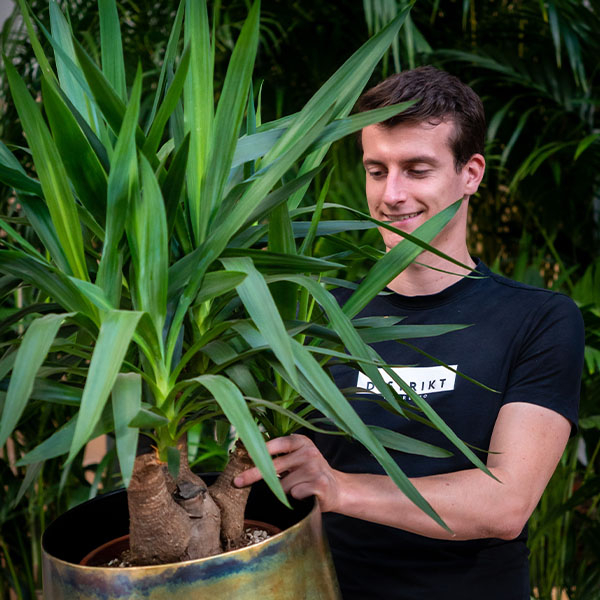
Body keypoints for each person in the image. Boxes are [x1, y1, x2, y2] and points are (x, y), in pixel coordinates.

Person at [235, 66, 585, 599]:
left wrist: (338, 487)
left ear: (471, 174)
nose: (391, 195)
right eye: (377, 171)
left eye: (416, 170)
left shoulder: (538, 319)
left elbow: (505, 504)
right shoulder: (315, 311)